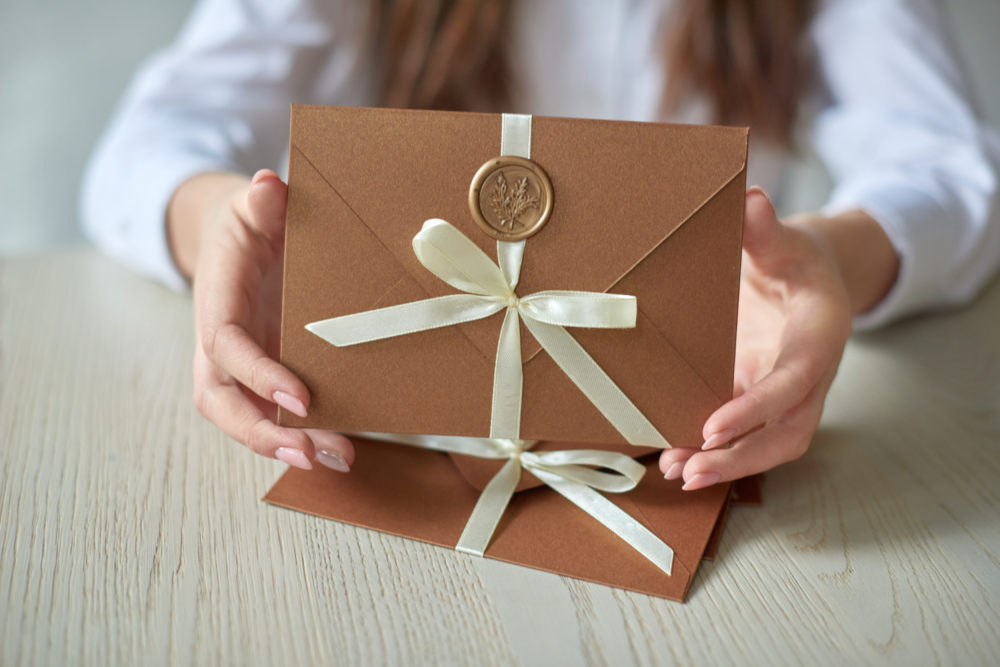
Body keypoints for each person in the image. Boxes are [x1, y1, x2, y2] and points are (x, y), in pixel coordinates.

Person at [81, 0, 1000, 490]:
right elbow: (151, 142)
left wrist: (833, 255)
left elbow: (952, 169)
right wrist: (220, 228)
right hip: (390, 431)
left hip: (689, 436)